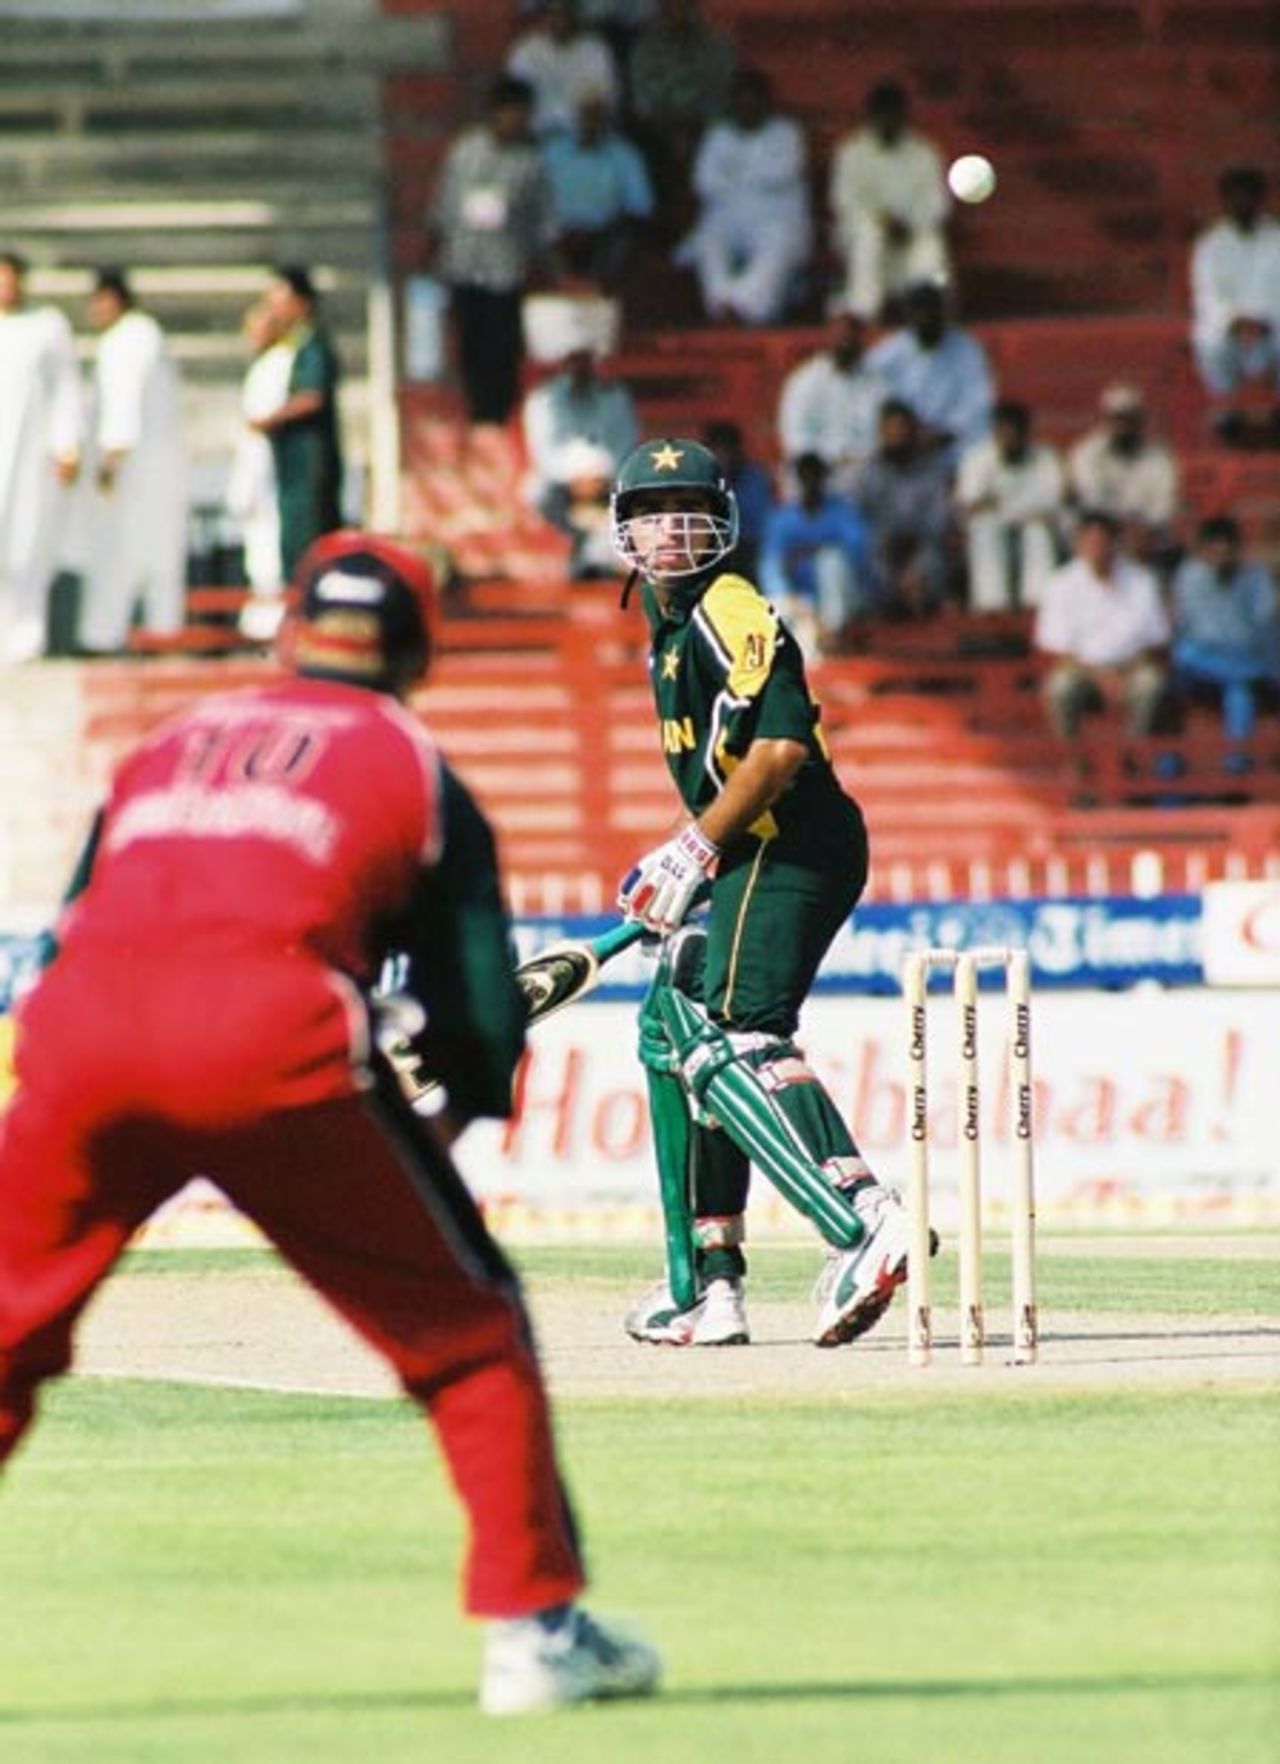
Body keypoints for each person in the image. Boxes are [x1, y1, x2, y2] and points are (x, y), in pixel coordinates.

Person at [0, 529, 661, 1717]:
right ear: (418, 653)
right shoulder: (412, 765)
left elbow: (67, 929)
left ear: (291, 627)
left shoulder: (167, 745)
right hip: (271, 1042)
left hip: (78, 1032)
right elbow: (471, 1004)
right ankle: (535, 1632)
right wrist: (450, 1116)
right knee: (469, 1332)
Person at [606, 436, 925, 1348]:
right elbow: (720, 779)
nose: (670, 533)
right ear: (624, 533)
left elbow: (780, 751)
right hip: (751, 850)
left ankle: (862, 1218)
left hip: (794, 845)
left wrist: (694, 851)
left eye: (687, 512)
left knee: (734, 1032)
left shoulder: (727, 604)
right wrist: (687, 852)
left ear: (722, 523)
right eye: (650, 516)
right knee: (671, 1019)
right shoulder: (666, 632)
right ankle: (705, 1286)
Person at [428, 76, 559, 427]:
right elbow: (443, 206)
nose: (516, 120)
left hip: (505, 270)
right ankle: (475, 415)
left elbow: (543, 222)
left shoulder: (531, 163)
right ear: (496, 112)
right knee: (471, 344)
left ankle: (501, 416)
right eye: (511, 112)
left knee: (503, 347)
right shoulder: (465, 151)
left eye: (523, 113)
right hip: (464, 264)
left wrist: (547, 262)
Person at [78, 268, 188, 655]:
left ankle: (121, 634)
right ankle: (155, 630)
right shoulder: (140, 335)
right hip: (151, 462)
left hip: (133, 465)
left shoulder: (127, 338)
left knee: (124, 549)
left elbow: (123, 403)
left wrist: (111, 457)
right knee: (149, 548)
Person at [677, 68, 812, 327]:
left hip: (774, 219)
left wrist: (733, 171)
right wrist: (752, 172)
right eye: (741, 100)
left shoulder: (786, 134)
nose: (747, 107)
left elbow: (782, 172)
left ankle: (745, 308)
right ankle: (721, 305)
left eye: (753, 100)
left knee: (777, 244)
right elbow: (704, 181)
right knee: (707, 240)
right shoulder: (719, 135)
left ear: (766, 103)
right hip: (728, 217)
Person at [0, 250, 83, 662]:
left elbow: (65, 389)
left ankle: (26, 635)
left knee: (27, 541)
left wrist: (67, 444)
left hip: (29, 456)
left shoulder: (47, 327)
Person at [1034, 508, 1172, 740]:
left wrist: (1122, 674)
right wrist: (1100, 678)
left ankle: (1132, 753)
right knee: (1060, 687)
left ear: (1115, 543)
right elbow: (1058, 648)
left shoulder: (1141, 581)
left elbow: (1154, 640)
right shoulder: (1060, 584)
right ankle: (1072, 757)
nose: (1096, 548)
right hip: (1082, 671)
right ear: (1078, 544)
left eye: (1101, 541)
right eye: (1089, 541)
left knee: (1151, 683)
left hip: (1131, 668)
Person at [827, 80, 951, 323]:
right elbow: (844, 201)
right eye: (882, 114)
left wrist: (911, 224)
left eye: (893, 114)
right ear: (871, 116)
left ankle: (924, 316)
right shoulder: (852, 152)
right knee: (868, 235)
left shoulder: (924, 153)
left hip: (909, 234)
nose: (888, 121)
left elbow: (937, 203)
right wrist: (881, 221)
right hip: (864, 236)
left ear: (903, 116)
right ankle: (863, 315)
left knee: (931, 246)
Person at [253, 267, 343, 581]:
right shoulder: (290, 346)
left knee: (308, 545)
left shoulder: (312, 345)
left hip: (309, 464)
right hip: (292, 465)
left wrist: (270, 419)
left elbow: (311, 396)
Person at [520, 331, 640, 553]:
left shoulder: (615, 396)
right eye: (572, 360)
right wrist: (577, 478)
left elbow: (626, 440)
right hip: (563, 485)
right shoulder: (542, 400)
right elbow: (543, 453)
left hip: (607, 479)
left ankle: (605, 550)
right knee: (534, 492)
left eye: (583, 360)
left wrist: (600, 475)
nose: (578, 367)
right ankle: (574, 542)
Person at [1169, 514, 1280, 743]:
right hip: (1199, 667)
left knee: (1240, 693)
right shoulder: (1190, 576)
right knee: (1186, 652)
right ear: (1202, 551)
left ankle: (1236, 765)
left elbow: (1263, 627)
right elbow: (1192, 630)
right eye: (1214, 549)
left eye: (1227, 548)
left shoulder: (1255, 577)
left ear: (1237, 549)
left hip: (1242, 660)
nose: (1221, 555)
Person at [1189, 165, 1280, 440]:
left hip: (1272, 326)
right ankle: (1225, 411)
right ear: (1225, 200)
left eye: (1249, 195)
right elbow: (1207, 294)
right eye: (1236, 196)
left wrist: (1264, 320)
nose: (1243, 202)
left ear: (1260, 198)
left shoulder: (1277, 239)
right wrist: (1235, 321)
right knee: (1207, 339)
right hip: (1230, 329)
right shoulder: (1210, 246)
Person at [626, 0, 736, 219]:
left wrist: (693, 127)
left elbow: (722, 94)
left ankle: (714, 218)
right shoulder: (647, 46)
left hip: (703, 126)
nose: (679, 13)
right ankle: (657, 224)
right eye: (672, 6)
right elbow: (643, 98)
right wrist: (670, 128)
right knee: (639, 140)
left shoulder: (717, 44)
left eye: (685, 6)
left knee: (724, 138)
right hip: (660, 127)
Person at [759, 451, 874, 659]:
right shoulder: (782, 518)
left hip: (843, 602)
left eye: (815, 477)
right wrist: (799, 604)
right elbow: (771, 569)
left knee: (831, 560)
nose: (810, 483)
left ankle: (832, 635)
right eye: (805, 477)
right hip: (800, 603)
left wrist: (811, 551)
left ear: (824, 479)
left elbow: (858, 555)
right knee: (776, 609)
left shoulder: (842, 511)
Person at [954, 399, 1067, 612]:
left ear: (1025, 432)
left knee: (1038, 532)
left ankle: (1036, 605)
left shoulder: (1046, 458)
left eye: (1014, 432)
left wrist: (1001, 506)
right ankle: (992, 606)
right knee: (985, 527)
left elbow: (1052, 507)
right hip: (994, 534)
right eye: (1003, 431)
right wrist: (1017, 510)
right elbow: (972, 506)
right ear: (994, 432)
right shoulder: (977, 459)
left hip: (1032, 533)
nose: (1009, 438)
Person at [864, 280, 993, 464]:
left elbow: (978, 403)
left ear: (943, 312)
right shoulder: (888, 354)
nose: (926, 317)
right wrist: (907, 431)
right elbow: (873, 393)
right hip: (903, 442)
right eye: (919, 311)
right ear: (909, 315)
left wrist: (945, 432)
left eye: (931, 310)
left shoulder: (968, 350)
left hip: (951, 443)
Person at [225, 299, 293, 642]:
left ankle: (271, 622)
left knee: (268, 547)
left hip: (267, 473)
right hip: (257, 469)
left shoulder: (279, 364)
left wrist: (248, 483)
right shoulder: (263, 365)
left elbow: (260, 426)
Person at [539, 91, 654, 291]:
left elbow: (641, 206)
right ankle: (566, 287)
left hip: (602, 235)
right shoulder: (552, 152)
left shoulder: (625, 155)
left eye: (597, 116)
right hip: (559, 233)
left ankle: (592, 290)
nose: (590, 123)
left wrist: (603, 225)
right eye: (586, 116)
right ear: (575, 118)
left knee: (622, 240)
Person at [852, 399, 956, 616]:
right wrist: (884, 539)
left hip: (921, 546)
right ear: (881, 432)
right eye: (891, 429)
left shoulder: (931, 470)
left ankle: (922, 614)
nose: (897, 435)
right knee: (869, 565)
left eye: (902, 428)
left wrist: (912, 544)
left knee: (931, 564)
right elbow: (856, 521)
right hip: (881, 549)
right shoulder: (866, 472)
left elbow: (939, 520)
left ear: (913, 431)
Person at [776, 303, 888, 496]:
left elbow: (882, 434)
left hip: (861, 467)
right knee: (793, 475)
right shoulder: (805, 380)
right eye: (840, 334)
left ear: (861, 338)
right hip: (817, 467)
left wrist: (856, 459)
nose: (845, 341)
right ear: (828, 337)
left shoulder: (878, 384)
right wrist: (826, 462)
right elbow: (794, 433)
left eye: (851, 334)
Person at [1067, 382, 1179, 567]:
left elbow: (1164, 505)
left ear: (1140, 421)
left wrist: (1143, 529)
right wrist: (1121, 527)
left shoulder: (1160, 457)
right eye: (1118, 419)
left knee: (1168, 545)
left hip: (1146, 533)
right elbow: (1092, 498)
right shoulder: (1087, 452)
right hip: (1101, 529)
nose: (1123, 426)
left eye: (1129, 419)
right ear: (1106, 420)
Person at [506, 0, 620, 139]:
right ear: (544, 16)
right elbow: (514, 101)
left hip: (582, 137)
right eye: (553, 13)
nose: (560, 20)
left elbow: (604, 100)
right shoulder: (526, 51)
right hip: (535, 138)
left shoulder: (596, 50)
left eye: (565, 13)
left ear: (577, 15)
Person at [703, 417, 773, 578]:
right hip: (711, 551)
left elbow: (761, 527)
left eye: (727, 449)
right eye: (717, 449)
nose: (723, 456)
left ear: (738, 449)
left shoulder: (756, 477)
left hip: (749, 550)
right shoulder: (700, 481)